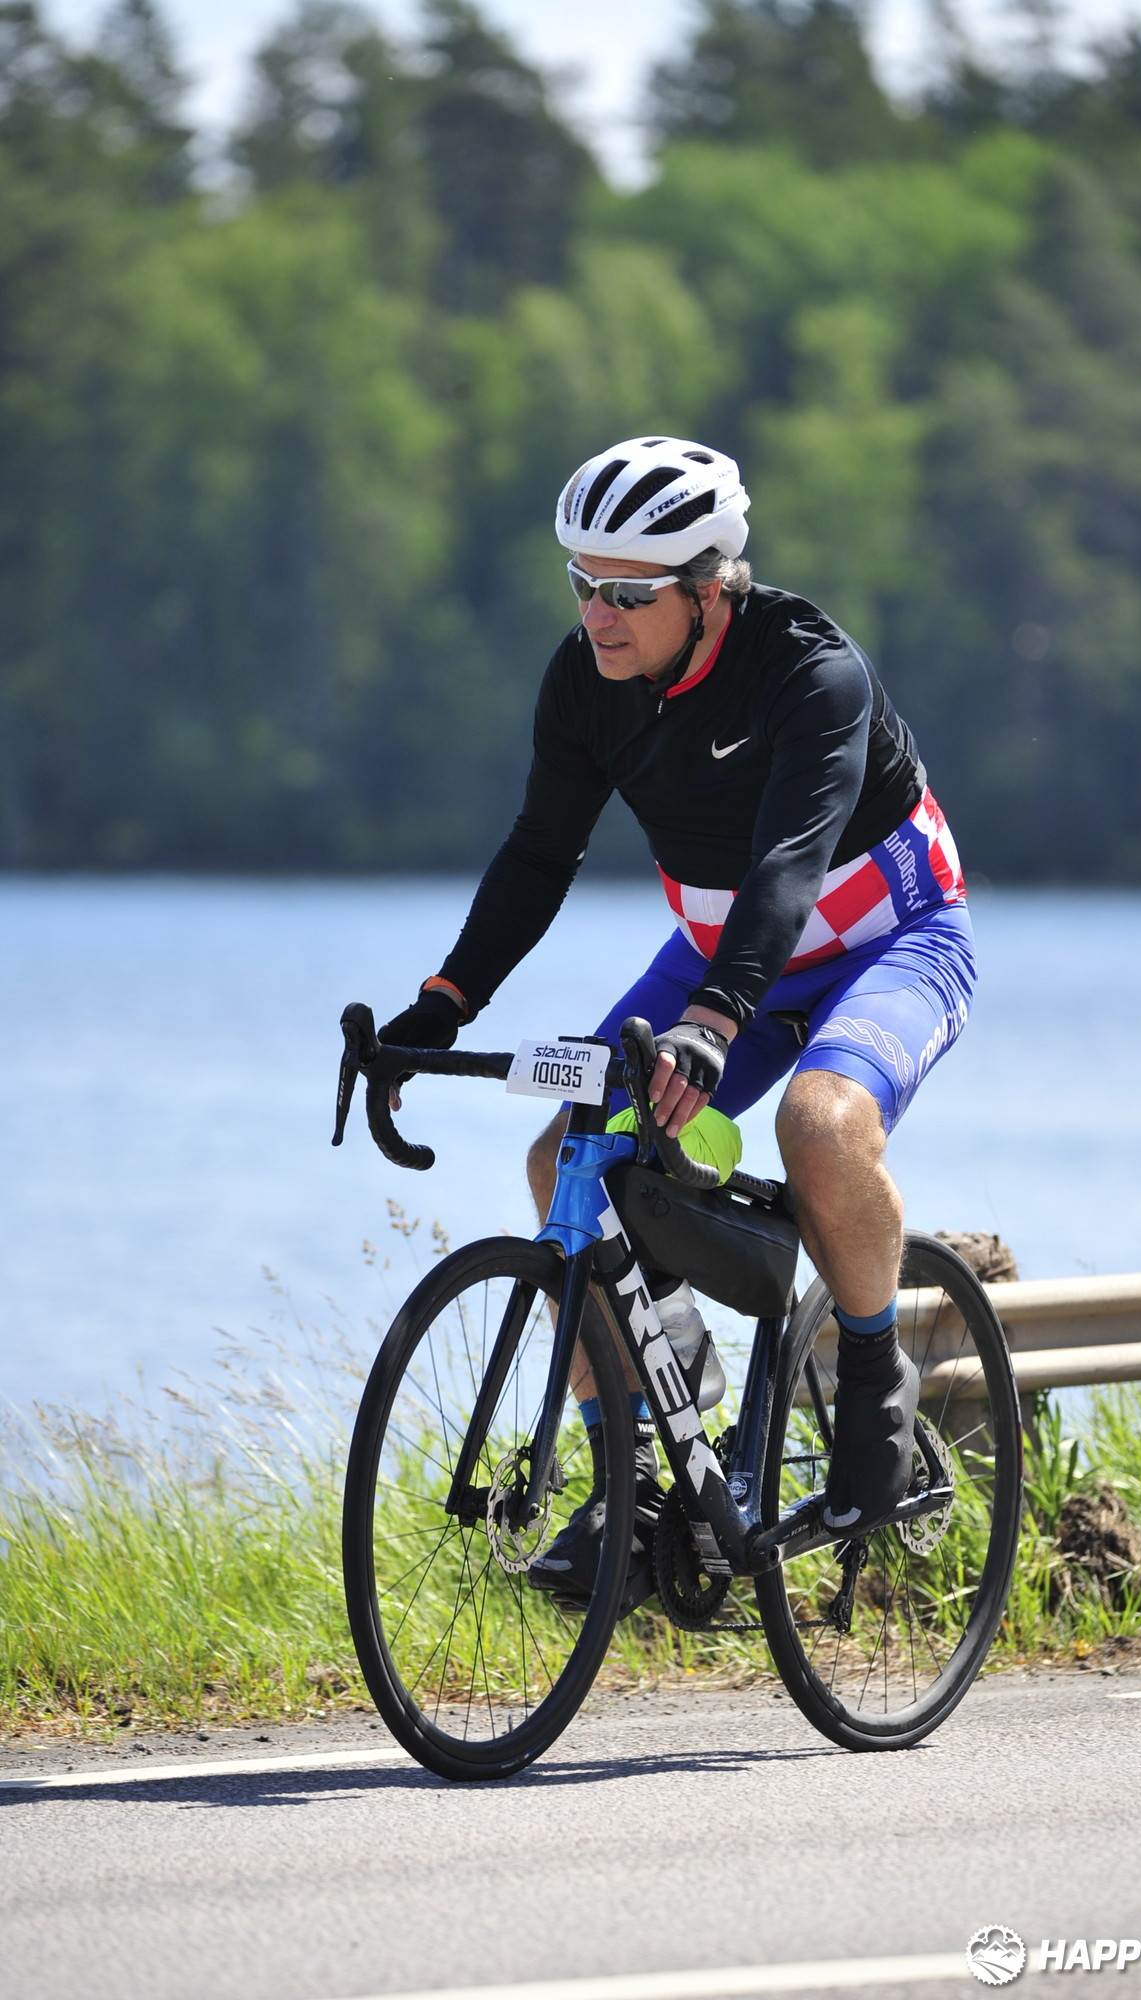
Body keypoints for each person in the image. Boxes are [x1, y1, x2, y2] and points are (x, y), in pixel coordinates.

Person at [379, 435, 974, 1601]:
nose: (596, 615)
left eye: (627, 592)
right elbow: (540, 850)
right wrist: (445, 1002)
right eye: (582, 583)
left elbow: (789, 863)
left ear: (709, 588)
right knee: (568, 1155)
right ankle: (648, 1467)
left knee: (819, 1126)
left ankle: (873, 1385)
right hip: (722, 959)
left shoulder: (812, 673)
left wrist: (715, 1018)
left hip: (887, 944)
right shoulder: (585, 681)